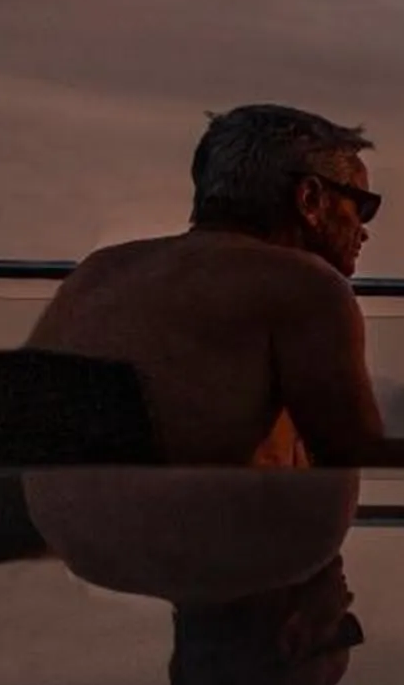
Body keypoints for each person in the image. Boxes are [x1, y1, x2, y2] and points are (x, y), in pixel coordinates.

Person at [25, 105, 384, 466]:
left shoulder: (100, 270)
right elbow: (357, 452)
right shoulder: (306, 285)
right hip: (206, 521)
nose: (363, 230)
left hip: (65, 519)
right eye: (362, 207)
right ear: (310, 199)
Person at [23, 466, 365, 685]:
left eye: (343, 627)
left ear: (293, 638)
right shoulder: (74, 540)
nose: (348, 598)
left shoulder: (314, 526)